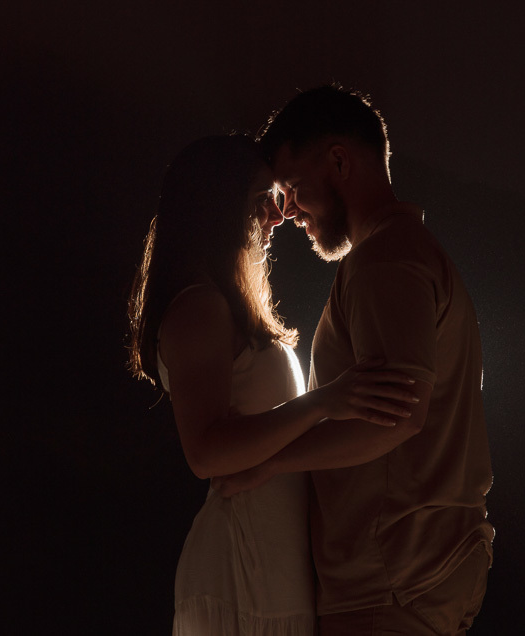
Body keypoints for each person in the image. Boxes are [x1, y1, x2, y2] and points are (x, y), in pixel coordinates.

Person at [213, 87, 495, 636]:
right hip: (414, 574)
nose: (288, 212)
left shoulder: (384, 261)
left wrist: (270, 461)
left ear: (339, 160)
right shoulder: (405, 251)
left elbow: (400, 414)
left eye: (293, 188)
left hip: (391, 581)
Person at [128, 134, 419, 636]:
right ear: (218, 205)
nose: (279, 216)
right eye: (264, 199)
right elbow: (206, 453)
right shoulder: (199, 307)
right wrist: (323, 402)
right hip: (242, 567)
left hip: (276, 568)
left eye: (279, 199)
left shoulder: (227, 305)